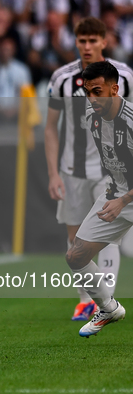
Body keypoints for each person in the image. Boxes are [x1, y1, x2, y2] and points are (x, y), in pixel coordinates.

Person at [44, 17, 133, 321]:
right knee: (76, 239)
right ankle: (87, 300)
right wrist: (54, 172)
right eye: (82, 40)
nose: (87, 46)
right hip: (72, 168)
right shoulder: (61, 78)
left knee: (107, 236)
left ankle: (104, 303)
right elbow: (51, 128)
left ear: (104, 42)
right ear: (76, 42)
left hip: (112, 174)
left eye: (93, 40)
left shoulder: (125, 76)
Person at [67, 60, 132, 337]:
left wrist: (124, 201)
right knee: (75, 255)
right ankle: (108, 307)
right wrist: (115, 196)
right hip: (116, 193)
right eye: (87, 92)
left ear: (114, 89)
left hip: (125, 198)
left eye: (97, 91)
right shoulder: (91, 119)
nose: (91, 98)